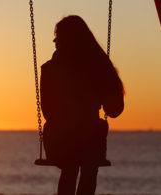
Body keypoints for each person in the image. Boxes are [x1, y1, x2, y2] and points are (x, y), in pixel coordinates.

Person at [40, 15, 124, 195]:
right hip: (88, 141)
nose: (54, 41)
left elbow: (48, 111)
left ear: (68, 40)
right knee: (88, 167)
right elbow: (114, 110)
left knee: (70, 168)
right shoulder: (99, 66)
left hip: (60, 139)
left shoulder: (50, 69)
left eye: (58, 37)